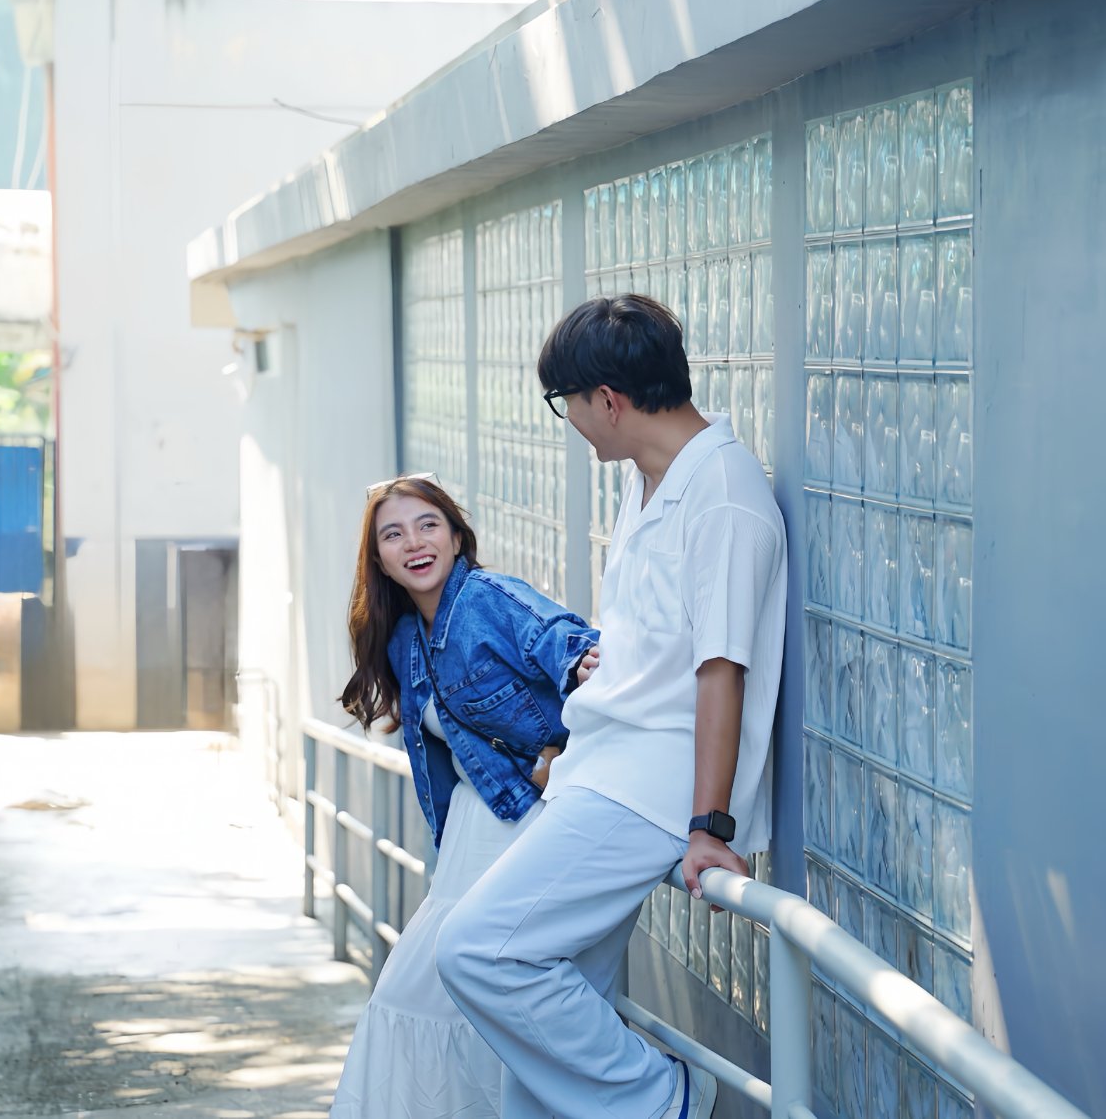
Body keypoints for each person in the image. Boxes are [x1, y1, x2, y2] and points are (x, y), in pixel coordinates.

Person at [436, 295, 789, 1119]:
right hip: (600, 768)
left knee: (481, 951)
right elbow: (662, 639)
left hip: (643, 789)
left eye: (565, 403)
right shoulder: (652, 479)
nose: (569, 423)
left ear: (609, 400)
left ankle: (666, 1100)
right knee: (548, 1033)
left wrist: (709, 827)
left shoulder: (723, 495)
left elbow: (722, 670)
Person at [329, 475, 600, 1119]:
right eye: (393, 534)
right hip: (469, 837)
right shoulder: (404, 639)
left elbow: (569, 647)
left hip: (525, 828)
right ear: (379, 560)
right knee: (448, 1001)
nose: (414, 543)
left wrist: (562, 744)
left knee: (423, 990)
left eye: (428, 525)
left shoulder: (487, 598)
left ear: (456, 535)